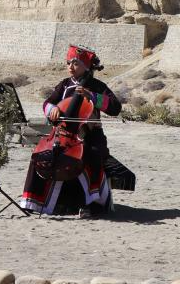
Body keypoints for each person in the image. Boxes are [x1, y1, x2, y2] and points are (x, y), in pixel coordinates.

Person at [19, 45, 122, 218]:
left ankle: (91, 204)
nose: (70, 67)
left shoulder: (97, 86)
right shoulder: (65, 85)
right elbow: (47, 103)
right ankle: (34, 200)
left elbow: (115, 107)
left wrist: (93, 97)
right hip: (62, 133)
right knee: (40, 154)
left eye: (75, 63)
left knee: (93, 153)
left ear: (87, 67)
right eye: (68, 63)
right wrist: (52, 109)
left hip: (89, 134)